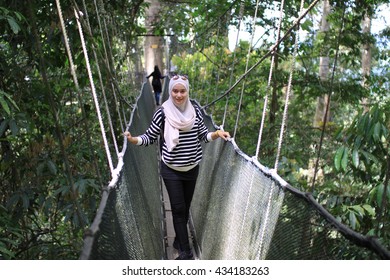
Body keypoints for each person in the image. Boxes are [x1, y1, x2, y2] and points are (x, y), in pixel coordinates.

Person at [124, 75, 230, 260]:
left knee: (185, 207)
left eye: (182, 91)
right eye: (175, 91)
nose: (179, 95)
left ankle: (178, 241)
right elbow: (150, 136)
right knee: (179, 210)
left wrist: (216, 134)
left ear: (187, 91)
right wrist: (134, 139)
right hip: (171, 169)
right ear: (170, 91)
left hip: (192, 168)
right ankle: (186, 253)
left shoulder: (195, 110)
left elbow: (203, 136)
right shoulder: (162, 113)